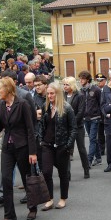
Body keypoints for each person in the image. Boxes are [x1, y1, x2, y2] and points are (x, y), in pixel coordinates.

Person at [0, 77, 37, 220]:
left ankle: (32, 207)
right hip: (7, 147)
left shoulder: (22, 104)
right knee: (6, 179)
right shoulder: (2, 105)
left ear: (9, 89)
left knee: (26, 178)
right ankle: (9, 216)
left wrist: (32, 152)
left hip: (22, 146)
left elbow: (30, 129)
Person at [38, 82, 76, 210]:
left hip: (61, 145)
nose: (50, 96)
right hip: (47, 145)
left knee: (62, 173)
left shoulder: (67, 108)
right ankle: (49, 199)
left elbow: (73, 129)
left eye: (52, 93)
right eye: (48, 93)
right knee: (47, 172)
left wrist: (68, 146)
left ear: (58, 93)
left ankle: (63, 198)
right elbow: (42, 125)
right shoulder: (45, 106)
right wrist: (41, 141)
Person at [63, 76, 90, 178]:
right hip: (66, 127)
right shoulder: (62, 95)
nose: (65, 86)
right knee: (67, 150)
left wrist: (72, 122)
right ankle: (67, 173)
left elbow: (81, 112)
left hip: (78, 126)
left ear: (72, 85)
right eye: (64, 84)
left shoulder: (80, 95)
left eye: (67, 84)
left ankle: (86, 170)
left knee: (81, 149)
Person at [78, 70, 102, 167]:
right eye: (80, 79)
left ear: (87, 79)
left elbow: (101, 103)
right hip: (85, 118)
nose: (80, 80)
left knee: (92, 139)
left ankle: (89, 160)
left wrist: (101, 115)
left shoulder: (96, 90)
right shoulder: (80, 91)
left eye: (82, 79)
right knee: (93, 139)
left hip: (95, 117)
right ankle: (99, 158)